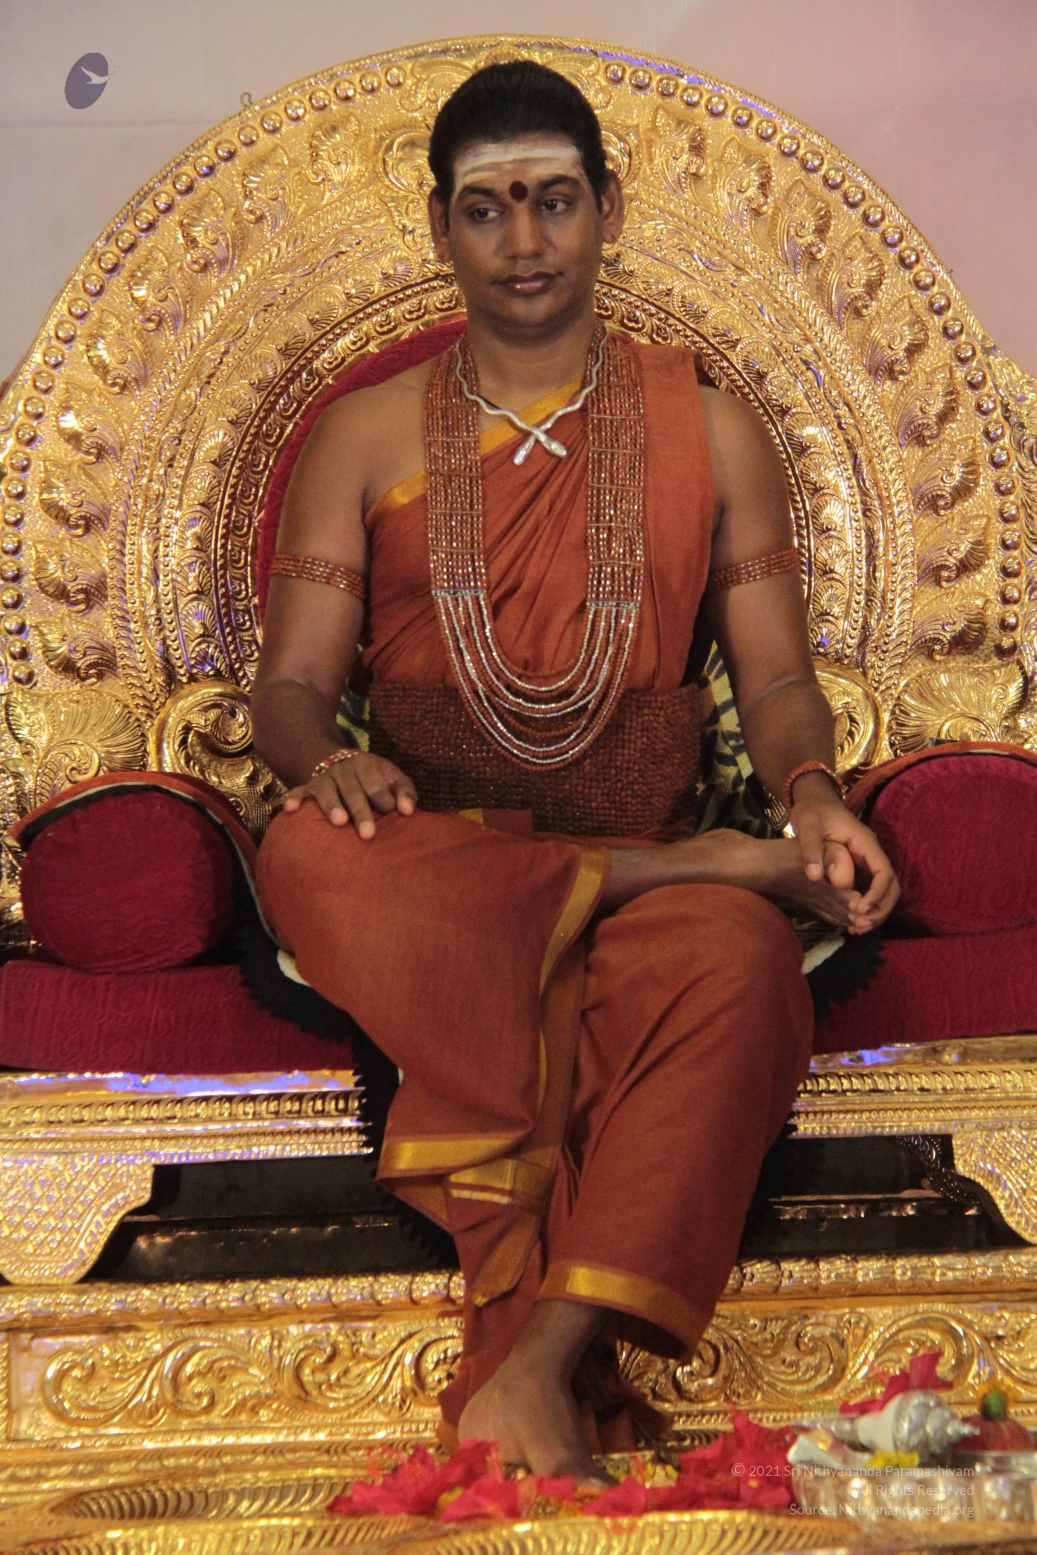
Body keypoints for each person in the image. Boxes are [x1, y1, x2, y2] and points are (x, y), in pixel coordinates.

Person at [252, 60, 899, 1484]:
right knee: (302, 855)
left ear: (608, 205)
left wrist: (808, 794)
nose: (524, 237)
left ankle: (539, 1365)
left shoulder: (707, 426)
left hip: (622, 881)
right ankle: (682, 869)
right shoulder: (366, 435)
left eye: (553, 199)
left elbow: (775, 681)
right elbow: (288, 690)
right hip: (432, 867)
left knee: (742, 962)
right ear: (440, 227)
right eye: (487, 208)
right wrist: (327, 761)